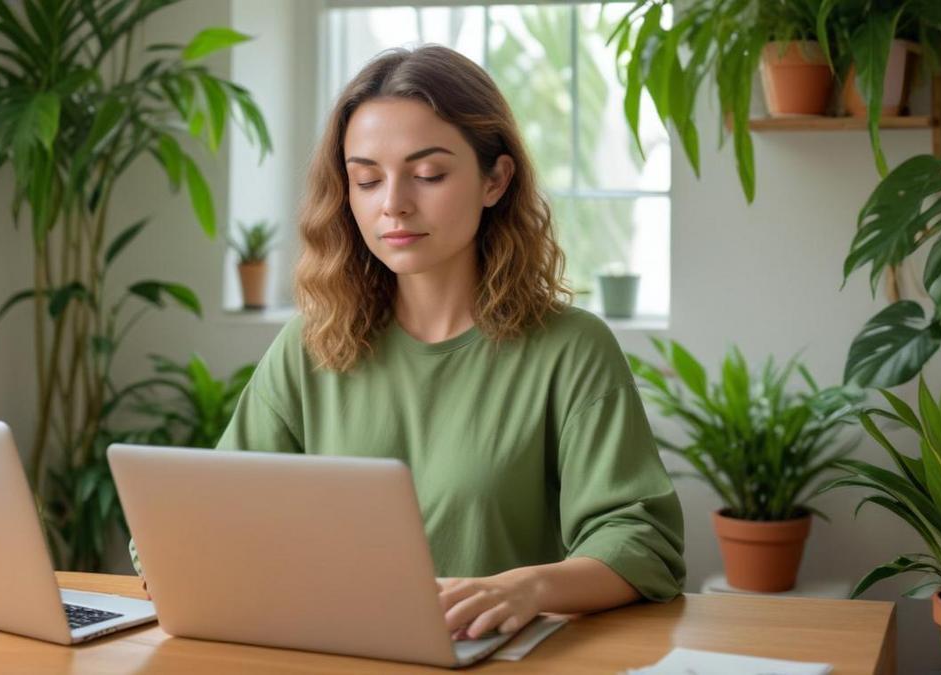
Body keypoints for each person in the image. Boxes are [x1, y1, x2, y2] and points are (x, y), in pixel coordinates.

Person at [137, 43, 684, 641]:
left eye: (428, 174)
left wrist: (525, 587)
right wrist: (174, 550)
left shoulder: (570, 349)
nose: (393, 204)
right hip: (335, 651)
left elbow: (641, 541)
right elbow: (209, 509)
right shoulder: (312, 344)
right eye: (367, 179)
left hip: (489, 656)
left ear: (495, 179)